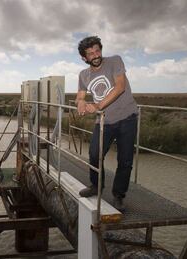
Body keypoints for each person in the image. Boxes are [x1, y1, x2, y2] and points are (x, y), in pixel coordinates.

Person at [75, 36, 138, 211]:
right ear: (84, 58)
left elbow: (120, 87)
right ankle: (96, 186)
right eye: (90, 53)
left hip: (127, 118)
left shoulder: (115, 61)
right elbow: (80, 95)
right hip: (104, 121)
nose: (95, 55)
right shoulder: (83, 75)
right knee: (95, 154)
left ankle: (118, 195)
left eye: (97, 50)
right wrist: (80, 102)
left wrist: (97, 105)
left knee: (125, 160)